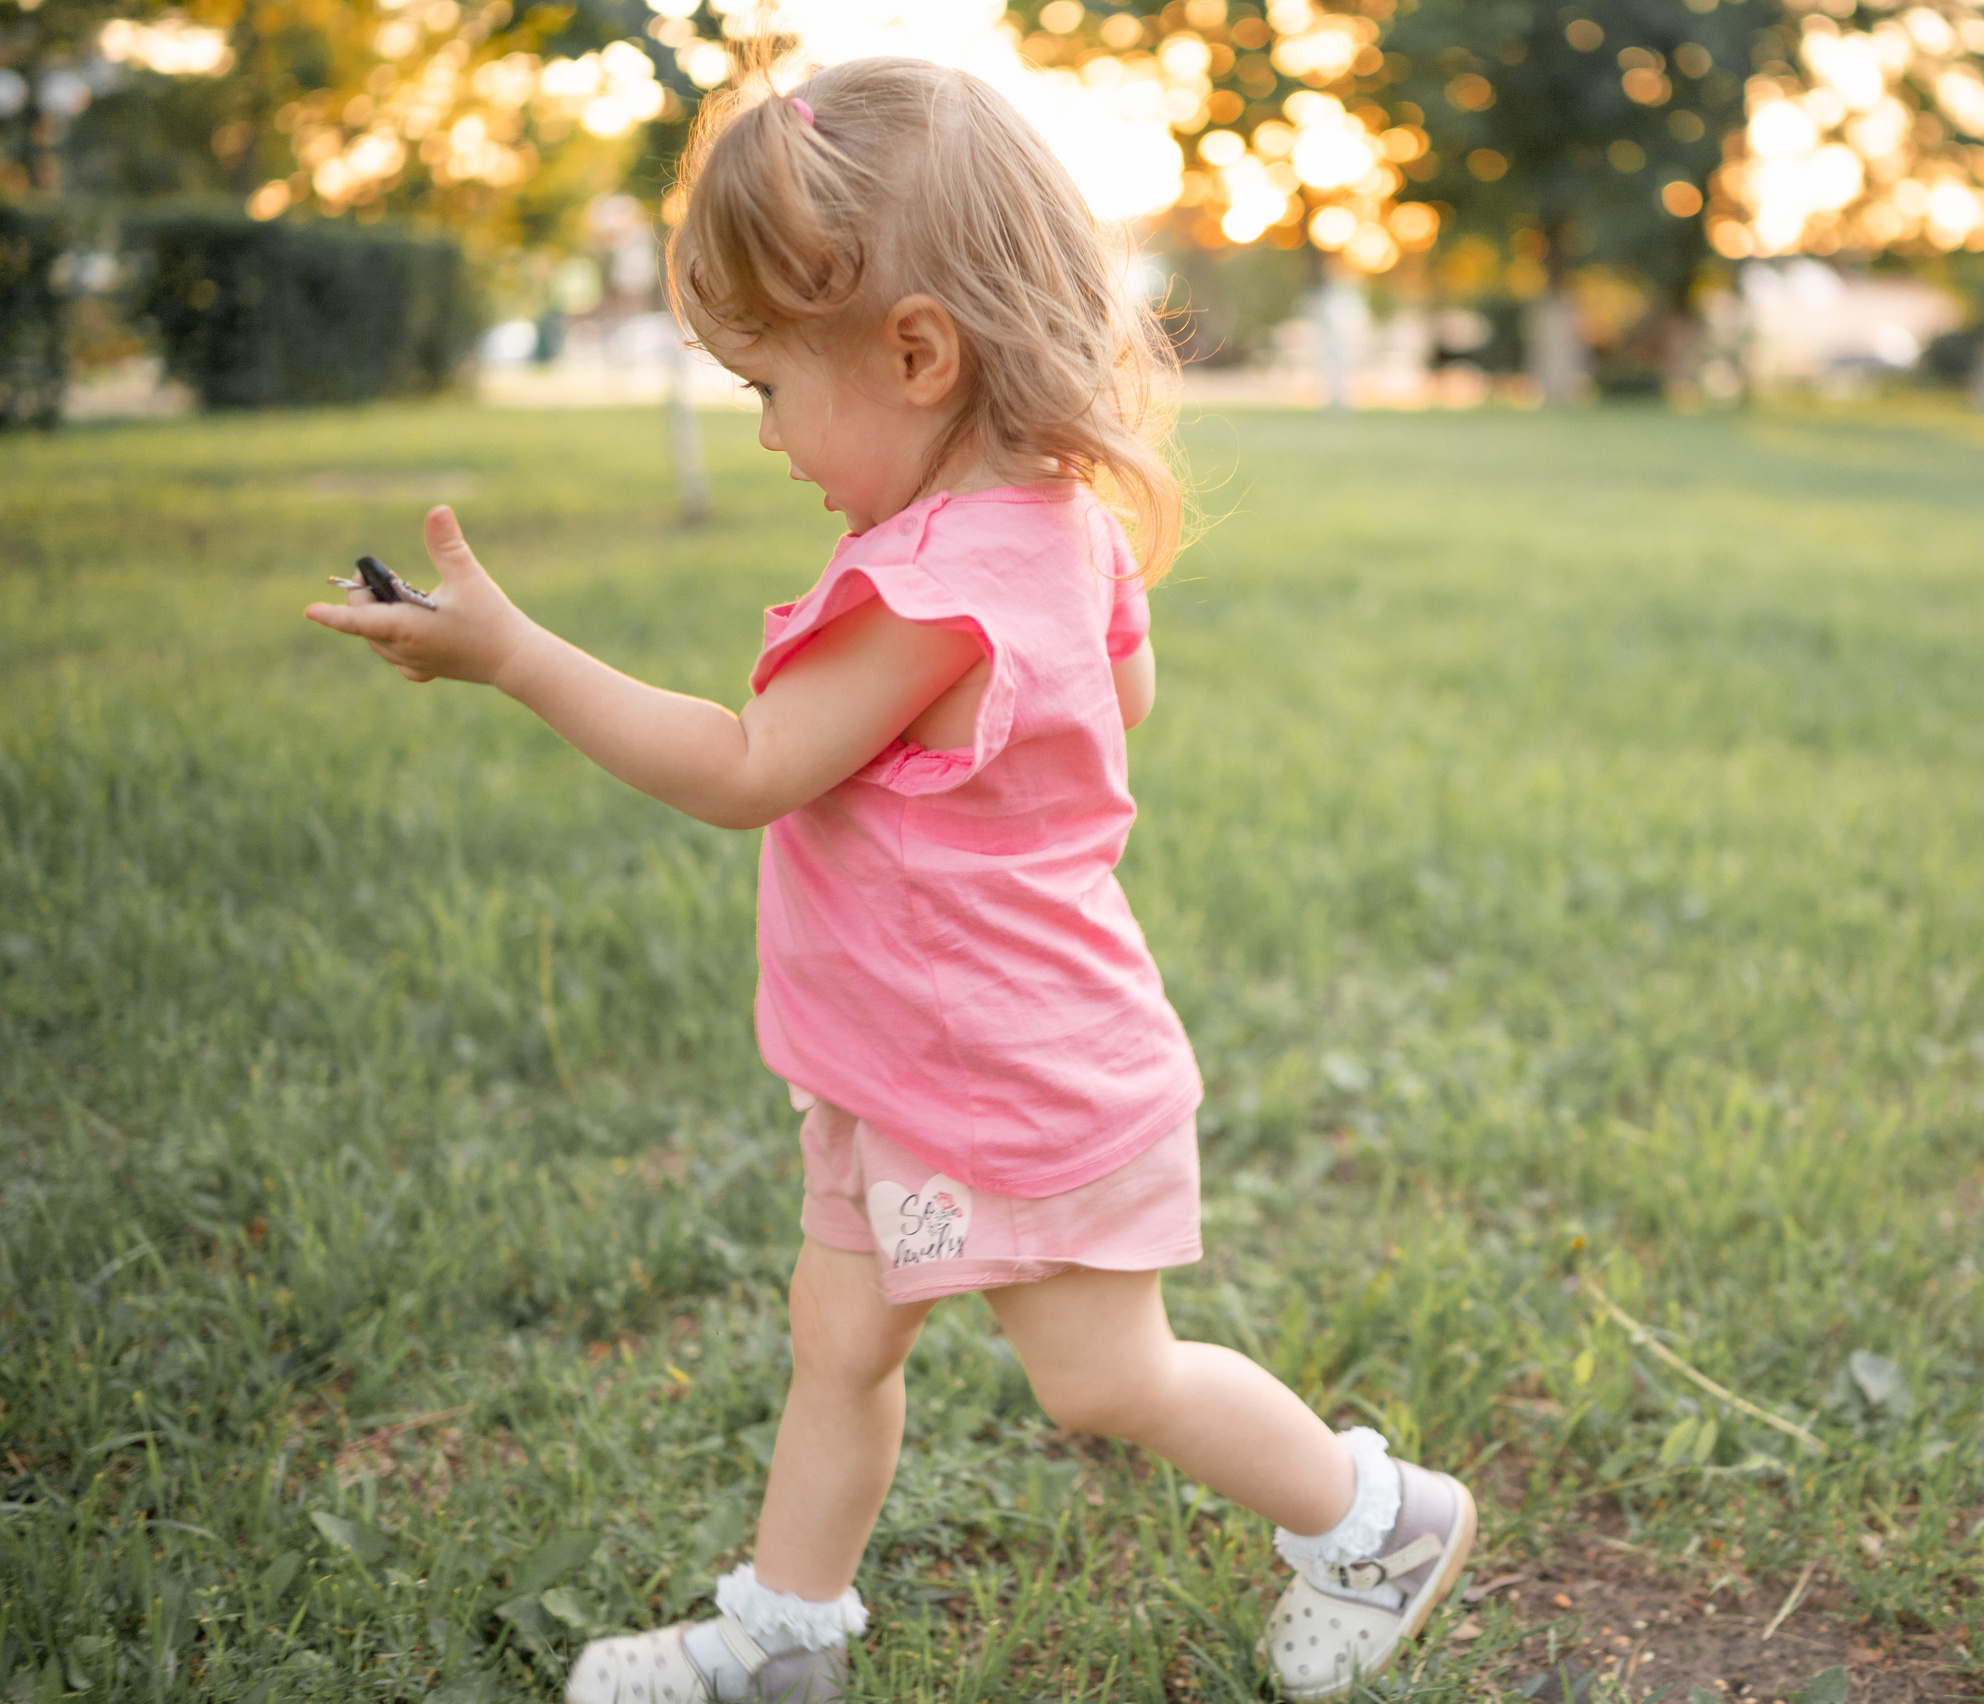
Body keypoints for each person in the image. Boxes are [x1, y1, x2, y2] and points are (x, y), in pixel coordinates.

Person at [303, 56, 1475, 1704]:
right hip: (904, 1071)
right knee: (840, 1341)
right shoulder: (1055, 523)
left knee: (1100, 1377)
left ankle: (1375, 1521)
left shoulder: (933, 594)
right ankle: (786, 1640)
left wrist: (514, 655)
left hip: (1012, 1080)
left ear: (917, 351)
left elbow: (740, 768)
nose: (769, 433)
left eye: (769, 386)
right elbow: (1118, 702)